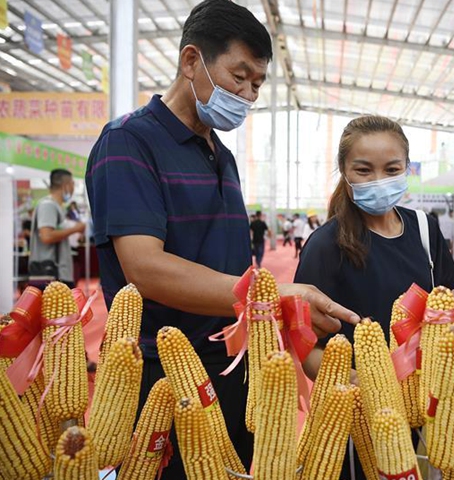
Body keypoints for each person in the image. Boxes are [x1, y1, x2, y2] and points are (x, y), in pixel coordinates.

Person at [85, 2, 359, 478]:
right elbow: (144, 267)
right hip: (164, 372)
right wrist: (269, 295)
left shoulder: (221, 154)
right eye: (239, 76)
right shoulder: (128, 142)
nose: (249, 94)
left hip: (233, 365)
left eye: (257, 83)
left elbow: (226, 262)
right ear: (192, 62)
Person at [295, 115, 454, 480]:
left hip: (425, 412)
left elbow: (448, 315)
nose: (379, 181)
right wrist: (366, 385)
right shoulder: (325, 246)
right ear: (344, 170)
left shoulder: (424, 229)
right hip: (357, 422)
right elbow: (307, 347)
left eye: (391, 169)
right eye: (364, 170)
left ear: (406, 168)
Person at [29, 169, 85, 288]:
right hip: (50, 272)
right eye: (73, 184)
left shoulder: (58, 207)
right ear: (66, 185)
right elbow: (47, 236)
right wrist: (75, 229)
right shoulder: (48, 205)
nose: (73, 188)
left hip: (58, 273)